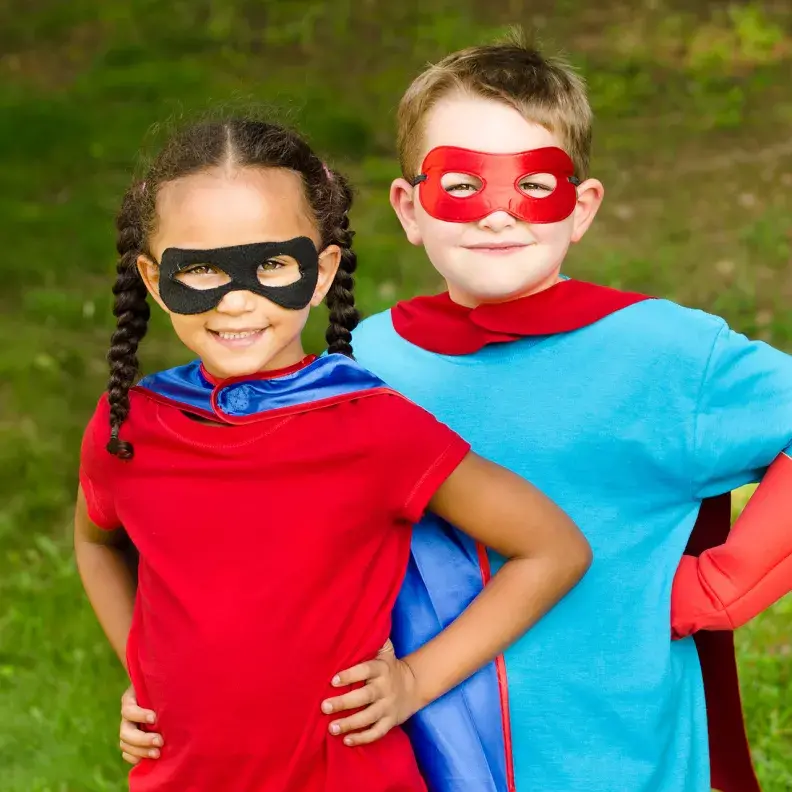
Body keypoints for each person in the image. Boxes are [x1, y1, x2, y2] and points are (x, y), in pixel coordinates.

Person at [115, 39, 792, 792]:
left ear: (582, 207)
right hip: (425, 753)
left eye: (534, 184)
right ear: (408, 208)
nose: (500, 215)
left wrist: (723, 585)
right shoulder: (364, 362)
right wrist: (171, 681)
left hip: (614, 753)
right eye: (462, 184)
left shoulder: (664, 352)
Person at [74, 116, 592, 792]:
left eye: (271, 265)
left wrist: (413, 680)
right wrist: (142, 672)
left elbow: (553, 549)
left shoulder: (372, 429)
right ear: (152, 278)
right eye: (200, 268)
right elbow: (95, 539)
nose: (237, 298)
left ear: (320, 274)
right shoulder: (131, 427)